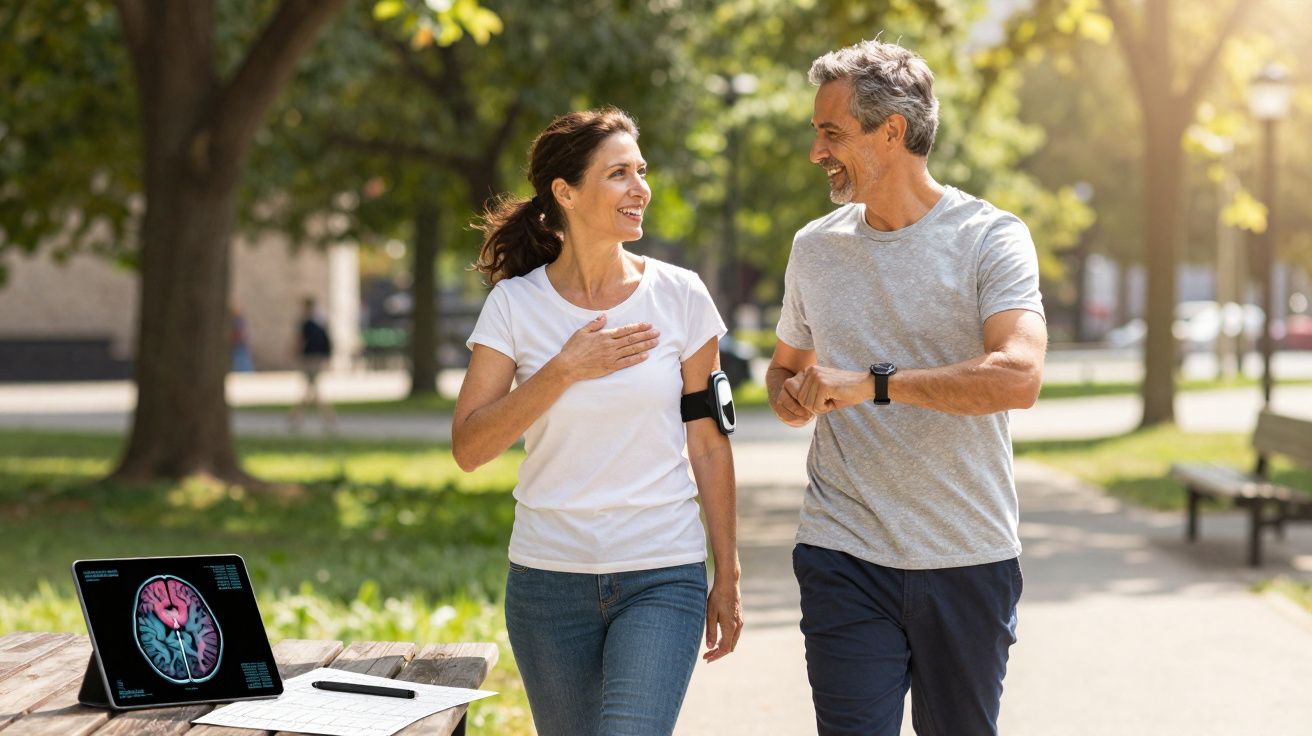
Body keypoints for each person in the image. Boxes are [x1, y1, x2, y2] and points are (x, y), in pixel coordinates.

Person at [766, 40, 1047, 736]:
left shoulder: (991, 239)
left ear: (891, 131)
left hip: (967, 553)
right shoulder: (814, 247)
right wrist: (792, 394)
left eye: (831, 133)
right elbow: (783, 369)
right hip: (843, 550)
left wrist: (871, 386)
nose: (815, 152)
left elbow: (1019, 375)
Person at [452, 108, 743, 736]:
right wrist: (562, 370)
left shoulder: (682, 296)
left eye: (641, 171)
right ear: (565, 192)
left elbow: (710, 447)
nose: (641, 188)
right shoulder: (514, 306)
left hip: (662, 572)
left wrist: (729, 574)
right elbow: (470, 447)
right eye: (619, 174)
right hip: (547, 583)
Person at [288, 296, 336, 432]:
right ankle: (297, 415)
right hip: (318, 358)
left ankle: (299, 415)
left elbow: (300, 340)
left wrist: (292, 353)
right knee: (311, 388)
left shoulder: (307, 323)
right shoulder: (321, 321)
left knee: (312, 388)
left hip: (309, 359)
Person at [230, 304, 255, 373]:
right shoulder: (237, 320)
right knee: (241, 360)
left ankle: (247, 372)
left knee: (241, 360)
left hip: (239, 344)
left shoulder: (237, 320)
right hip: (238, 344)